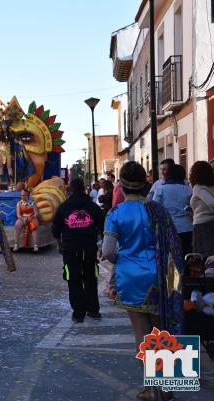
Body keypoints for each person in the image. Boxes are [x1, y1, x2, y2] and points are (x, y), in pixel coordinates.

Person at [102, 161, 182, 401]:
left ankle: (151, 390)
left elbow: (107, 251)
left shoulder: (115, 213)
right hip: (161, 275)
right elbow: (173, 244)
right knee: (163, 330)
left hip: (131, 278)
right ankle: (167, 388)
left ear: (122, 186)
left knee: (142, 334)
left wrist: (124, 259)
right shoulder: (157, 210)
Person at [52, 178, 104, 323]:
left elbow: (56, 231)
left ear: (70, 189)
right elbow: (103, 226)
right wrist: (103, 246)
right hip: (89, 247)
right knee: (90, 278)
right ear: (83, 189)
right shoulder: (93, 207)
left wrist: (60, 246)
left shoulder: (63, 207)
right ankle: (93, 310)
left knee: (73, 280)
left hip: (70, 248)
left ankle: (78, 313)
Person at [153, 164, 193, 256]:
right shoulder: (188, 189)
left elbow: (155, 208)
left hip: (168, 227)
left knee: (171, 257)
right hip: (187, 227)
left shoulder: (161, 189)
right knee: (186, 255)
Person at [189, 160, 214, 258]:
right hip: (210, 223)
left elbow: (212, 203)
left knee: (201, 256)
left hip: (202, 225)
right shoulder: (211, 186)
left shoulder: (198, 188)